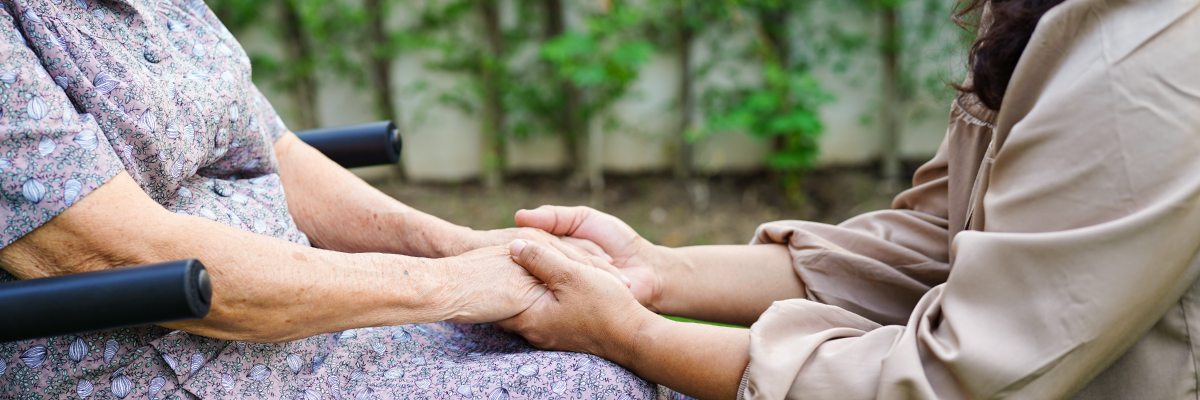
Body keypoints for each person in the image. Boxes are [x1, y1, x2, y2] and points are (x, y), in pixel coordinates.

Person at [495, 0, 1200, 399]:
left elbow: (956, 381)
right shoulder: (1049, 14)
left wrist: (631, 336)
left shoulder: (1145, 53)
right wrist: (656, 271)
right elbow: (938, 242)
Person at [0, 0, 672, 399]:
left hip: (312, 317)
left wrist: (470, 248)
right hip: (175, 362)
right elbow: (114, 252)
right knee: (597, 385)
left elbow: (276, 153)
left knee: (608, 346)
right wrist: (453, 285)